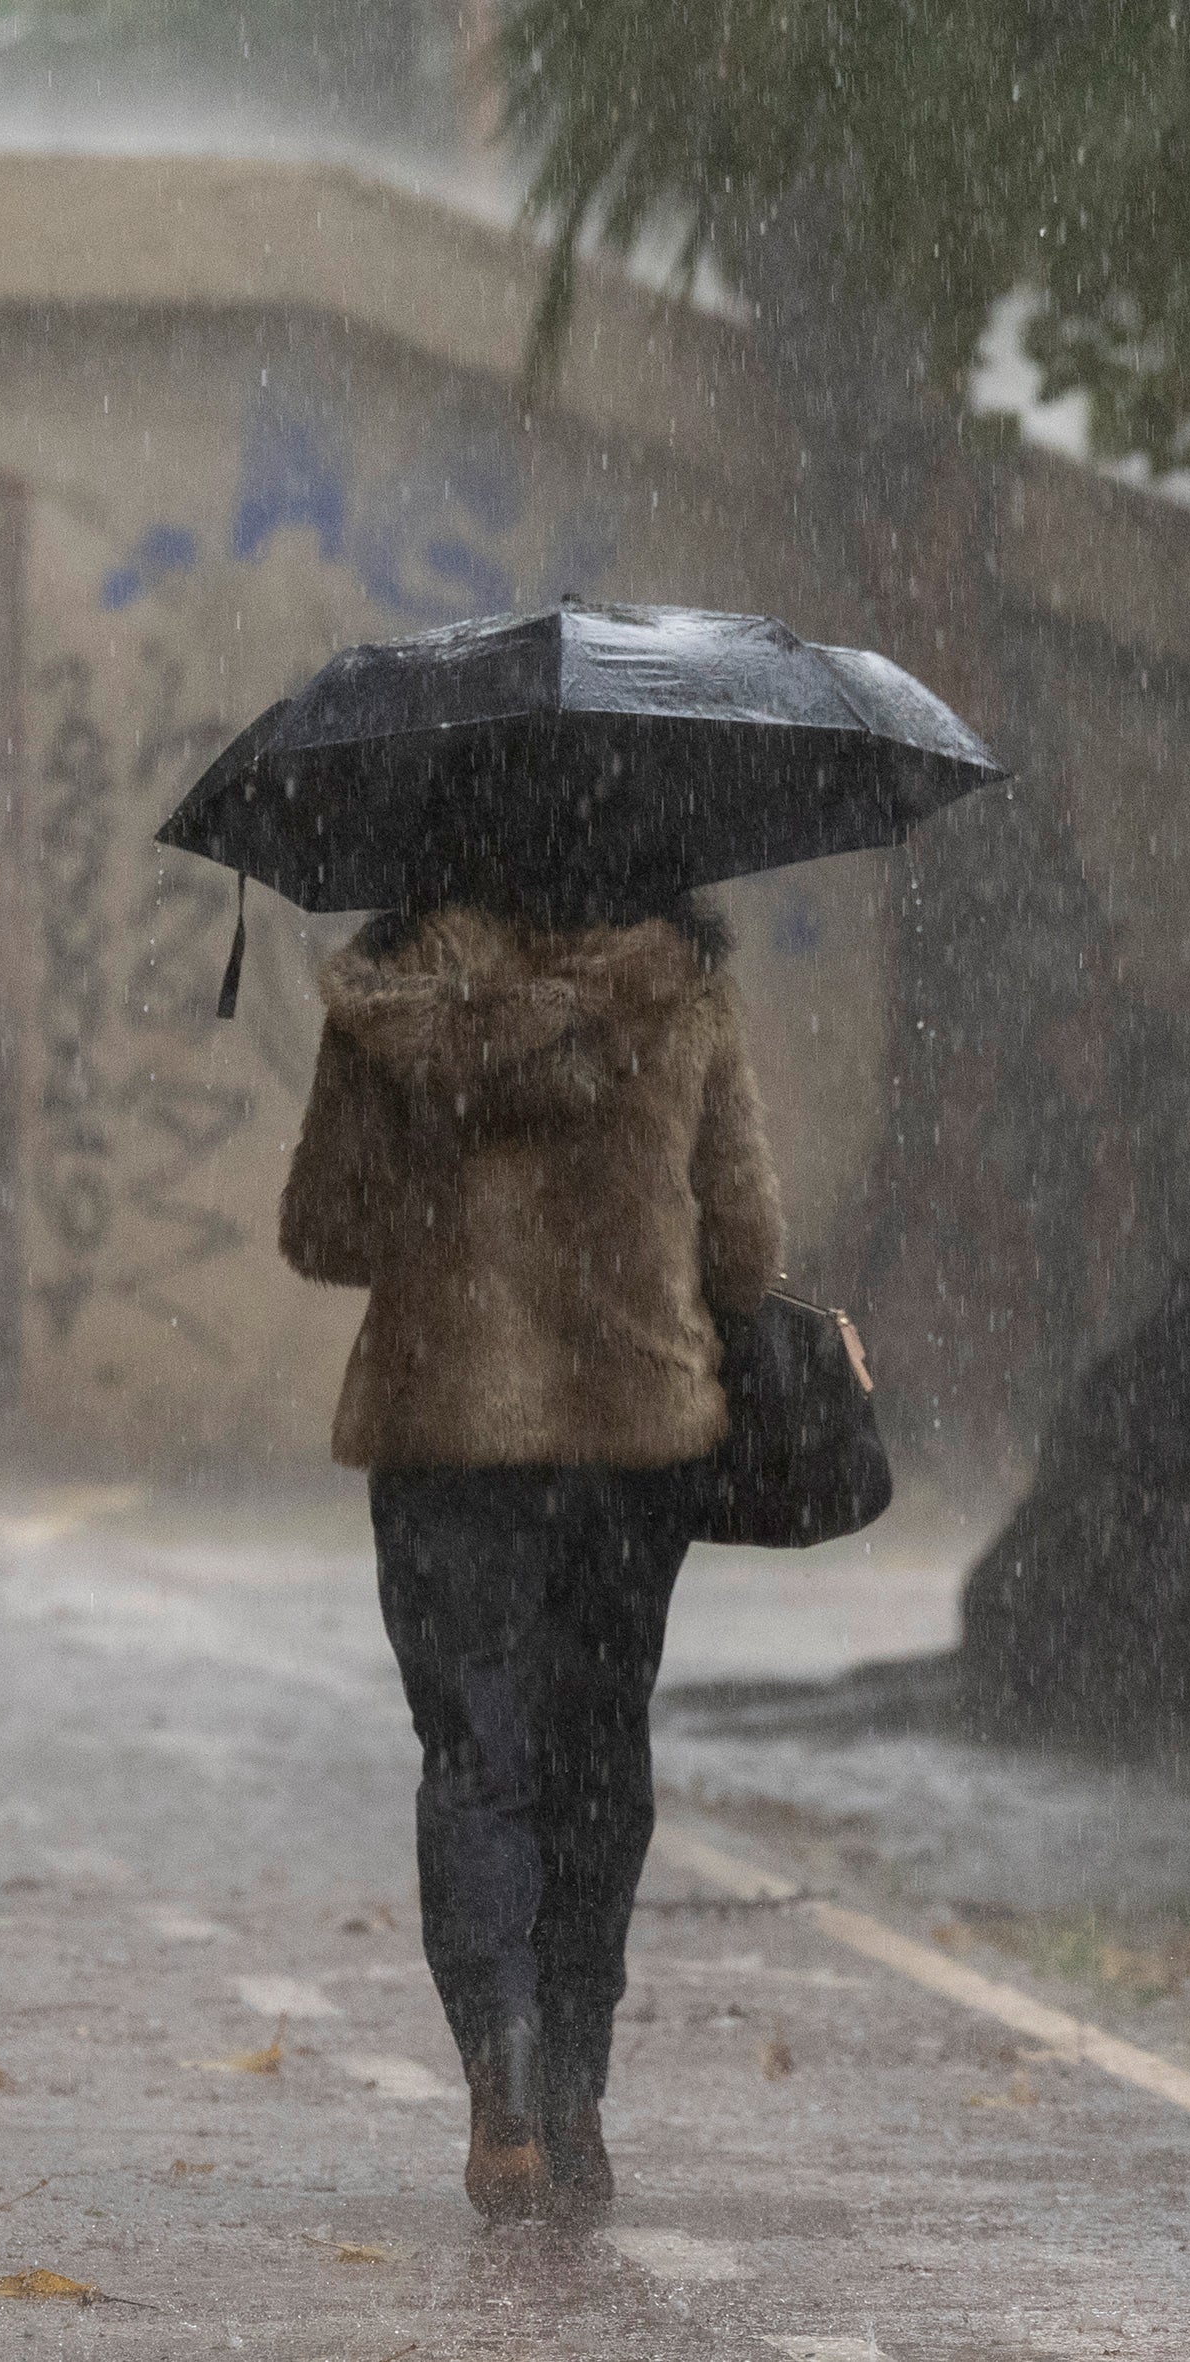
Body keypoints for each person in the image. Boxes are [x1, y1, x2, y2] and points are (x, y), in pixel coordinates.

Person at [278, 883, 781, 2225]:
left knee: (473, 1760)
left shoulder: (387, 1003)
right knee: (595, 1759)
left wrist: (440, 1193)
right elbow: (745, 1245)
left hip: (445, 1436)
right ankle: (574, 2087)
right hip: (630, 1441)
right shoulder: (681, 986)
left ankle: (498, 2080)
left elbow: (320, 1231)